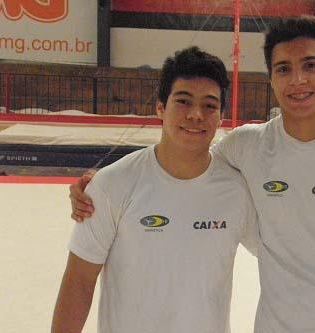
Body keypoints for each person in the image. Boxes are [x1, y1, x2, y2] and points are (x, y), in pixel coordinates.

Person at [68, 16, 315, 333]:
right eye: (283, 68)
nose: (298, 79)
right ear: (271, 78)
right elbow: (185, 159)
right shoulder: (247, 147)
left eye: (310, 65)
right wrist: (98, 184)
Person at [52, 47, 262, 333]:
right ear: (160, 108)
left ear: (222, 116)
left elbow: (283, 255)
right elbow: (79, 281)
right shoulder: (112, 185)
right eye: (184, 101)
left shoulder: (237, 191)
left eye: (210, 105)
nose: (196, 115)